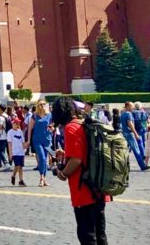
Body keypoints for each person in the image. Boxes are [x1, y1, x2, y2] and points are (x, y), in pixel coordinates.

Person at [51, 98, 107, 245]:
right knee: (100, 234)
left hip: (83, 189)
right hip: (98, 186)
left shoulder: (70, 128)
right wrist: (65, 154)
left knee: (87, 236)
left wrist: (63, 173)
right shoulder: (84, 123)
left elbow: (76, 159)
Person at [119, 102, 149, 171]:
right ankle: (142, 165)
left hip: (124, 132)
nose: (133, 108)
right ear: (127, 106)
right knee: (136, 150)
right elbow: (130, 124)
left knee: (125, 151)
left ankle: (124, 166)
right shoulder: (129, 114)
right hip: (130, 133)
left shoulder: (123, 114)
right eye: (131, 106)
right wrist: (136, 134)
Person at [7, 119, 26, 186]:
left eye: (18, 123)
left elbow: (23, 142)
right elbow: (9, 143)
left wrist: (25, 148)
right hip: (15, 152)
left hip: (21, 152)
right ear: (13, 124)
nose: (17, 125)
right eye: (16, 123)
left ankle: (20, 180)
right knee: (17, 165)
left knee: (20, 166)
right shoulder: (10, 132)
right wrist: (10, 153)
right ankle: (14, 175)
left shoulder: (20, 132)